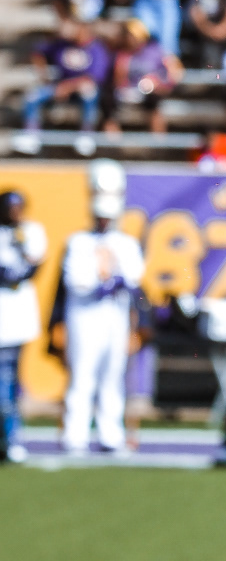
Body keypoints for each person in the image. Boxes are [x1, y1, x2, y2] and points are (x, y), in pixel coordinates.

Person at [61, 188, 144, 455]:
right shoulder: (79, 242)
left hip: (115, 315)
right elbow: (75, 279)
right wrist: (101, 284)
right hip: (85, 315)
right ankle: (76, 434)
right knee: (82, 373)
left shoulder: (126, 243)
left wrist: (118, 280)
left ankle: (111, 434)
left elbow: (134, 275)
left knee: (113, 373)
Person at [0, 191, 47, 462]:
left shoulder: (30, 232)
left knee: (9, 382)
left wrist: (19, 245)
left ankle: (11, 437)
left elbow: (31, 267)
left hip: (16, 322)